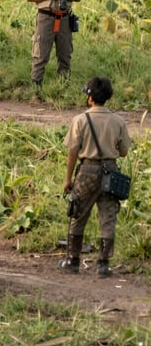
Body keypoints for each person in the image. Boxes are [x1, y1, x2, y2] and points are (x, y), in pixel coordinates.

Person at [59, 77, 131, 277]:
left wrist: (68, 179)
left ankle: (73, 261)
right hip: (111, 171)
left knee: (78, 214)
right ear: (108, 97)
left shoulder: (80, 120)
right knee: (108, 217)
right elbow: (123, 152)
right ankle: (103, 265)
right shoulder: (118, 121)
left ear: (90, 98)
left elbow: (73, 152)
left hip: (87, 172)